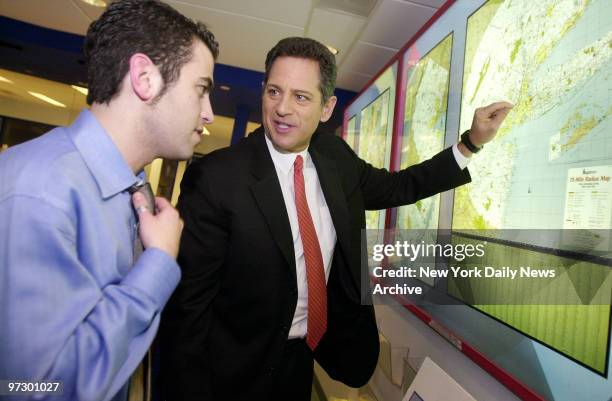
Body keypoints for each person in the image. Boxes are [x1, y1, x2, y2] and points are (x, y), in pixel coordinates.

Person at [160, 37, 512, 401]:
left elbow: (398, 187)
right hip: (229, 371)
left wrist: (470, 142)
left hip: (300, 363)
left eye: (300, 97)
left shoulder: (335, 158)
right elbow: (187, 308)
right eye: (274, 91)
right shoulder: (217, 178)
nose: (282, 108)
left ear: (327, 108)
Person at [0, 1, 218, 400]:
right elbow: (37, 390)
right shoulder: (40, 191)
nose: (209, 113)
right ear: (145, 78)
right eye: (201, 89)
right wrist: (158, 264)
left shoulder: (136, 191)